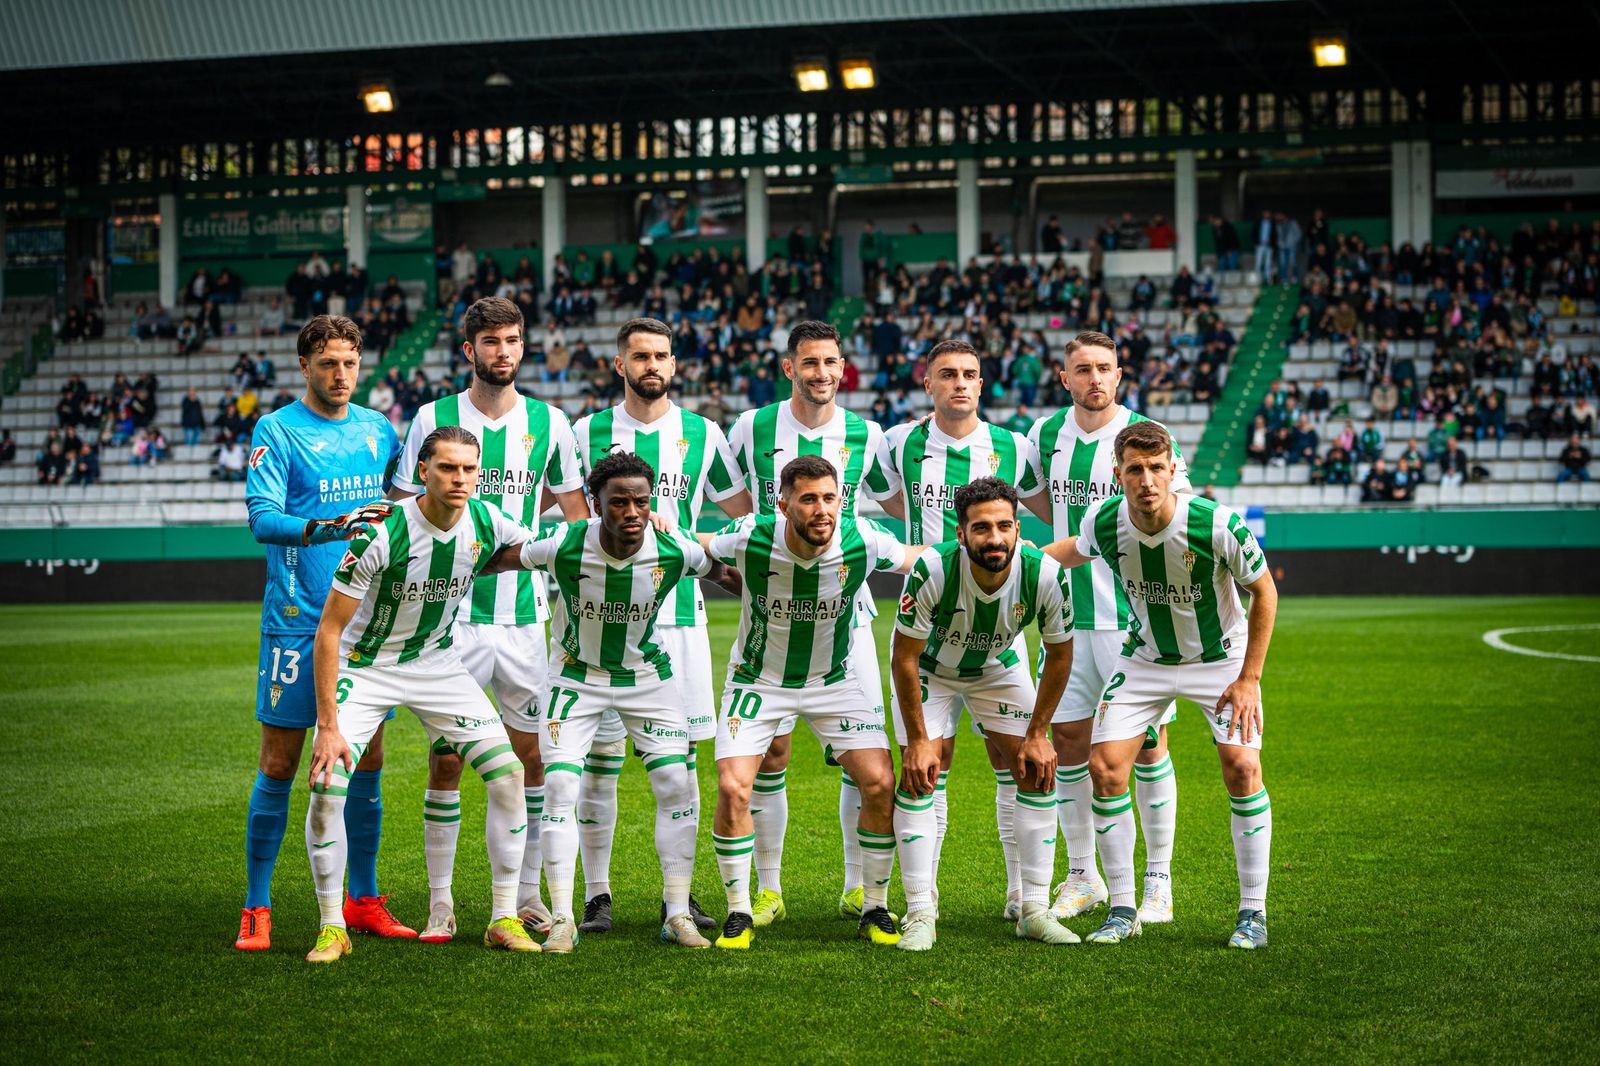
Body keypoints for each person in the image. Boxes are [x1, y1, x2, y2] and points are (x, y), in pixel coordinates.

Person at [390, 296, 591, 943]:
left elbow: (576, 514)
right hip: (453, 621)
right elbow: (401, 510)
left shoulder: (550, 423)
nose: (503, 352)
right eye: (491, 342)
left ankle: (525, 896)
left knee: (530, 757)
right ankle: (442, 903)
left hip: (525, 619)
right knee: (447, 759)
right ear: (468, 348)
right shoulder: (432, 417)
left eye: (513, 340)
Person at [481, 451, 735, 952]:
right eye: (619, 502)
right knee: (559, 788)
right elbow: (497, 560)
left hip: (647, 677)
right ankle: (561, 919)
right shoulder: (563, 545)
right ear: (596, 505)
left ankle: (678, 913)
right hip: (576, 679)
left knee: (675, 783)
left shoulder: (673, 548)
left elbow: (725, 574)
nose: (633, 512)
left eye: (641, 501)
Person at [302, 426, 538, 962]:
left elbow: (532, 547)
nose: (460, 479)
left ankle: (502, 917)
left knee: (507, 775)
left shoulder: (487, 519)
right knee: (326, 785)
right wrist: (329, 726)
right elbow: (330, 633)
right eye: (448, 468)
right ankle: (331, 924)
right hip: (366, 666)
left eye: (469, 469)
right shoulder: (381, 533)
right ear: (423, 472)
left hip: (437, 664)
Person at [1045, 419, 1278, 950]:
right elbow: (1074, 552)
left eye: (1156, 468)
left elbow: (1264, 593)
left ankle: (1253, 913)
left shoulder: (1217, 523)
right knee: (1105, 769)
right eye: (1135, 469)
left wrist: (1249, 680)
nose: (1146, 480)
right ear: (1117, 474)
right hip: (1146, 658)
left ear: (1174, 470)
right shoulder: (1104, 520)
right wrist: (1015, 558)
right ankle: (1123, 907)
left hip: (1220, 659)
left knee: (1242, 767)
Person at [568, 318, 754, 935]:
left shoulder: (703, 433)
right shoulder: (585, 431)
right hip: (599, 619)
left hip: (678, 618)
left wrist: (692, 546)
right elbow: (569, 518)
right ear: (619, 364)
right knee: (598, 763)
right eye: (640, 356)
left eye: (662, 356)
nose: (653, 365)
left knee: (679, 764)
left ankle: (680, 895)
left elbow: (743, 516)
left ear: (675, 364)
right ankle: (597, 895)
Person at [699, 456, 926, 950]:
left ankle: (875, 906)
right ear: (783, 505)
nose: (821, 510)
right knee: (734, 786)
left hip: (834, 682)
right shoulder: (750, 534)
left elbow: (920, 557)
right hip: (758, 682)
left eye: (829, 498)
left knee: (880, 781)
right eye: (807, 499)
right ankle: (738, 910)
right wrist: (655, 525)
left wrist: (987, 546)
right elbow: (696, 546)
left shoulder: (860, 536)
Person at [235, 315, 410, 953]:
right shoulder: (276, 430)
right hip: (296, 619)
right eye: (328, 363)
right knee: (280, 763)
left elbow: (397, 510)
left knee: (368, 761)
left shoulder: (376, 430)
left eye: (350, 364)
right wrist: (331, 526)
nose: (340, 375)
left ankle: (361, 899)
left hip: (364, 621)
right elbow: (262, 519)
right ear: (305, 364)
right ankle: (258, 904)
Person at [867, 339, 1043, 921]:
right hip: (930, 621)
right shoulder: (898, 442)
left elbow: (1040, 508)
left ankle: (1023, 896)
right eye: (947, 375)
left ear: (982, 383)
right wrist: (926, 551)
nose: (959, 384)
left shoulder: (1012, 448)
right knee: (926, 762)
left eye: (969, 374)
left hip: (998, 633)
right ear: (928, 382)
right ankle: (924, 902)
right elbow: (884, 499)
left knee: (1014, 762)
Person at [724, 321, 891, 930]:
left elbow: (892, 501)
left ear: (842, 368)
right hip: (775, 608)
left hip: (848, 615)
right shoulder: (751, 427)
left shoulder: (867, 435)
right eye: (809, 362)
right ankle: (766, 890)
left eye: (831, 362)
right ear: (790, 368)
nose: (822, 373)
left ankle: (858, 887)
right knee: (771, 754)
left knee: (862, 755)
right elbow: (737, 502)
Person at [1024, 330, 1189, 924]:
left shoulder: (1149, 439)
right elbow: (1047, 510)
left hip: (1132, 622)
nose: (1095, 378)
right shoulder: (1043, 437)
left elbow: (1175, 514)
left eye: (1105, 368)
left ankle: (1158, 879)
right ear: (1063, 377)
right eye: (1082, 369)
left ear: (1120, 375)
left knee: (1146, 748)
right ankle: (1083, 874)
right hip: (1066, 619)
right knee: (1068, 743)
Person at [891, 477, 1077, 950]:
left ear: (1018, 528)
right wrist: (917, 741)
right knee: (921, 774)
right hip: (932, 669)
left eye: (1003, 526)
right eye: (980, 528)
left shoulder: (1046, 573)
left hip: (998, 665)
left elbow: (1060, 655)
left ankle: (1032, 908)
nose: (994, 538)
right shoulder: (933, 569)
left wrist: (1038, 732)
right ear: (961, 533)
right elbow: (904, 658)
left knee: (1035, 769)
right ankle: (920, 913)